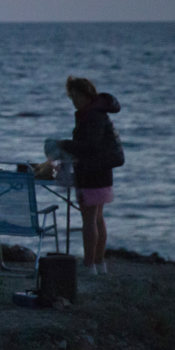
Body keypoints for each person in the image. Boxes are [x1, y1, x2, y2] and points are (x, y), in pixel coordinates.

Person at [58, 76, 123, 276]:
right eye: (72, 97)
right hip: (102, 173)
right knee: (98, 219)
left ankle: (89, 265)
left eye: (77, 97)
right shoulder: (98, 113)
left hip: (92, 173)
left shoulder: (92, 116)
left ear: (87, 95)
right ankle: (99, 263)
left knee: (89, 220)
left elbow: (90, 146)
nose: (74, 101)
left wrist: (64, 144)